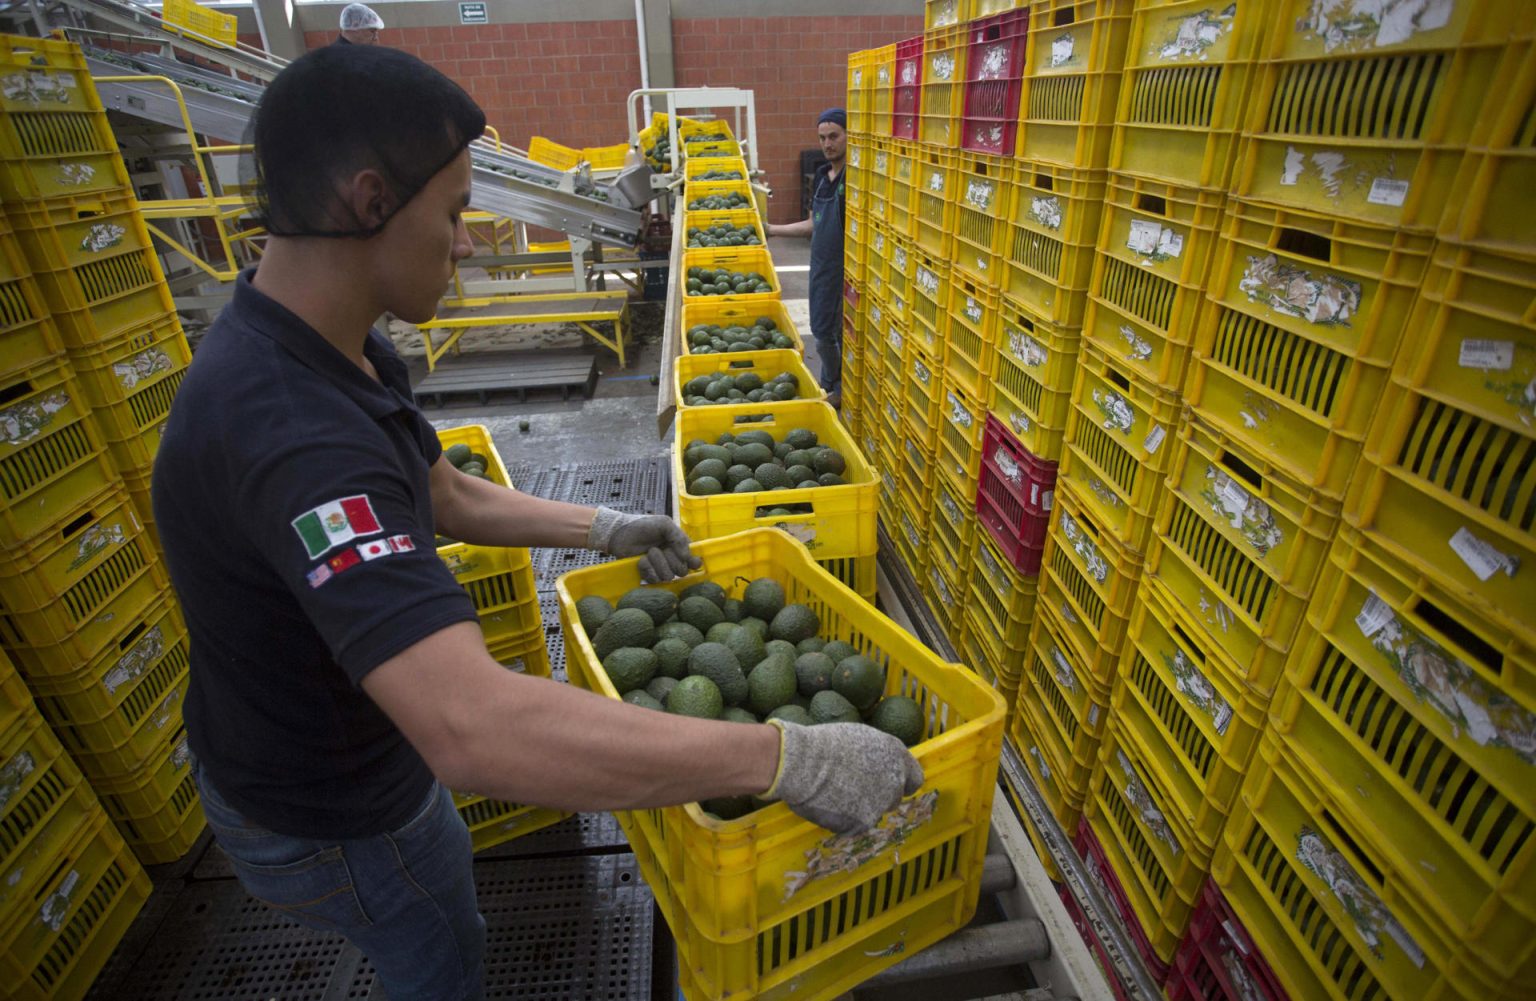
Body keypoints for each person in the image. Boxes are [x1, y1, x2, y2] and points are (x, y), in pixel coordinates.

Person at [151, 46, 922, 1001]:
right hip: (330, 813)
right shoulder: (296, 436)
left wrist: (604, 526)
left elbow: (449, 496)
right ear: (368, 199)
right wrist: (784, 755)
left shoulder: (328, 349)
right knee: (439, 951)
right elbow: (474, 726)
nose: (467, 245)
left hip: (340, 751)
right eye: (455, 213)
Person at [766, 108, 847, 407]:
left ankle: (836, 387)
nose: (828, 144)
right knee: (823, 330)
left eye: (834, 136)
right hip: (820, 266)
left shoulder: (852, 181)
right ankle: (833, 384)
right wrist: (772, 229)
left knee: (827, 332)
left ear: (849, 136)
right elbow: (814, 224)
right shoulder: (824, 179)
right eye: (822, 138)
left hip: (841, 269)